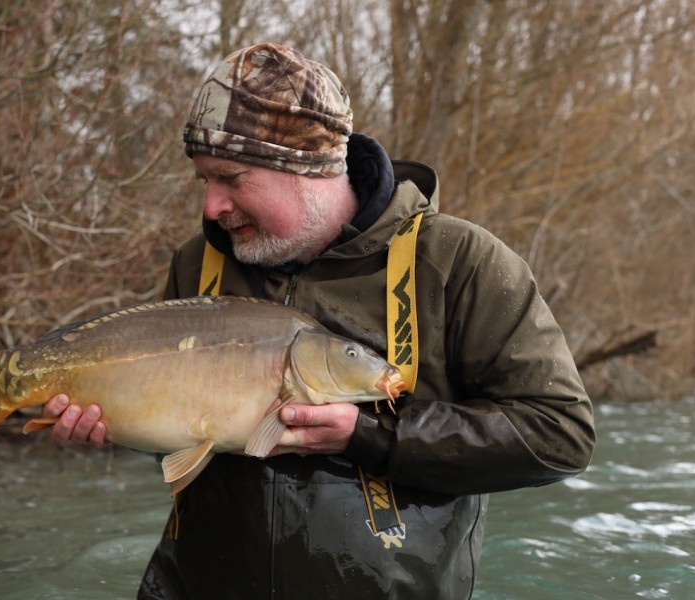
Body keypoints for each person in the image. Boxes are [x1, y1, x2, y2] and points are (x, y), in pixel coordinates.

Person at [42, 42, 595, 599]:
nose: (211, 207)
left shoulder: (459, 262)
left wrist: (371, 437)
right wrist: (115, 421)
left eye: (231, 179)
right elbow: (183, 440)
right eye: (204, 181)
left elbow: (561, 435)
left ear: (306, 168)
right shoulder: (198, 262)